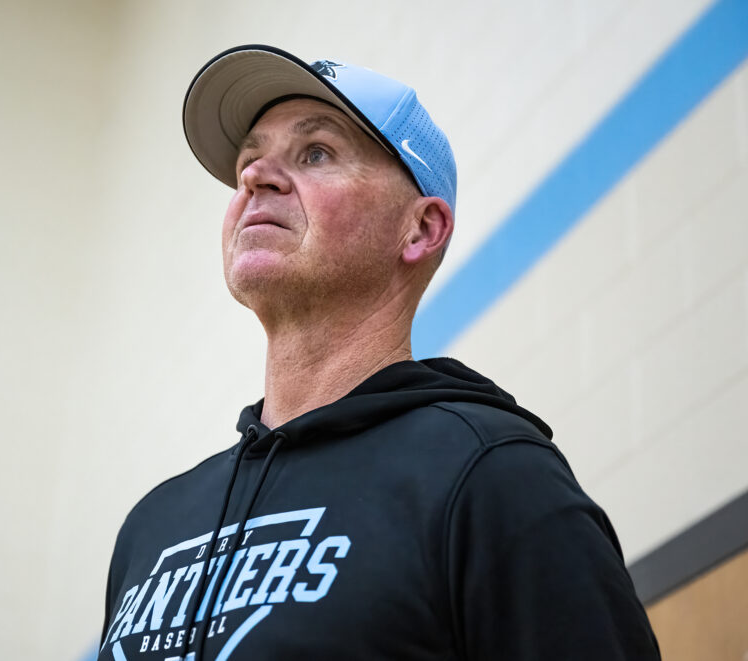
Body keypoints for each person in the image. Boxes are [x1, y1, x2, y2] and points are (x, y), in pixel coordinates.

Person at [97, 45, 660, 661]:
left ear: (420, 229)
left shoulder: (492, 474)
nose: (256, 177)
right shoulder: (151, 527)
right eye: (248, 162)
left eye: (317, 153)